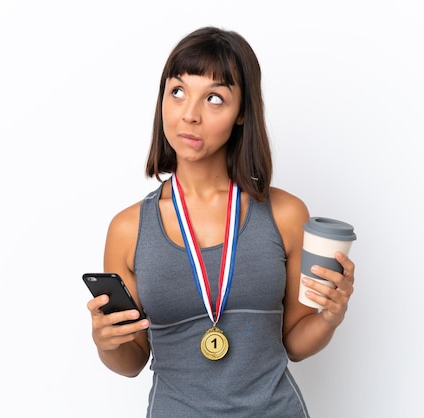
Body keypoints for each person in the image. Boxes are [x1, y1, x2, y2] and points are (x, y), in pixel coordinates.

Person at [86, 26, 356, 417]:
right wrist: (106, 342)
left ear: (243, 112)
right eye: (177, 91)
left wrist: (331, 316)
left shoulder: (285, 215)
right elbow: (131, 363)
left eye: (214, 98)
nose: (189, 114)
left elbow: (295, 344)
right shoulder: (129, 229)